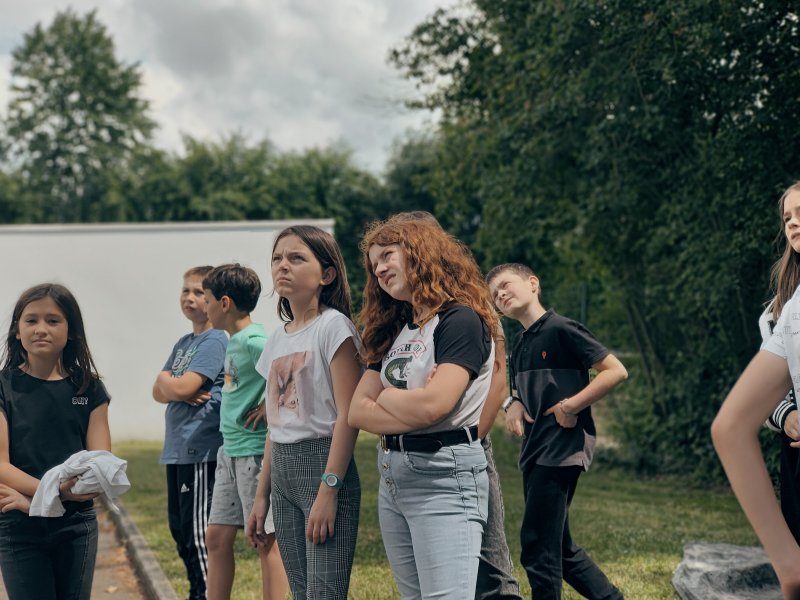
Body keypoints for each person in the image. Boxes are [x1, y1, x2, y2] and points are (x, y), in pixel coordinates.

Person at [349, 216, 497, 599]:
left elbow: (435, 405)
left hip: (443, 476)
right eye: (373, 264)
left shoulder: (460, 320)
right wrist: (409, 403)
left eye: (388, 255)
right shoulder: (394, 328)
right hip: (393, 478)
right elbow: (356, 412)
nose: (379, 269)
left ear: (420, 252)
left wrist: (385, 397)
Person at [391, 210, 522, 599]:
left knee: (491, 559)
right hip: (413, 453)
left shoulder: (469, 307)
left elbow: (497, 380)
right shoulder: (406, 310)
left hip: (465, 445)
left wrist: (474, 436)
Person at [486, 263, 627, 600]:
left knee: (538, 546)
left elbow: (615, 371)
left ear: (533, 283)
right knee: (559, 548)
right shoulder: (520, 342)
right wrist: (511, 403)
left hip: (560, 448)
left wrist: (571, 406)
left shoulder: (562, 329)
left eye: (506, 285)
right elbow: (517, 392)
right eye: (494, 294)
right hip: (534, 450)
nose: (500, 295)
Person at [246, 225, 362, 599]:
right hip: (282, 472)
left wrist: (329, 490)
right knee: (301, 592)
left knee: (324, 593)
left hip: (323, 465)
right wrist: (261, 496)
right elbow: (275, 426)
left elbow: (349, 416)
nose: (283, 266)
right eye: (277, 258)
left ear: (327, 274)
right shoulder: (277, 338)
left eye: (297, 258)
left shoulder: (334, 327)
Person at [713, 183, 800, 599]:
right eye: (787, 217)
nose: (793, 223)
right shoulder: (787, 309)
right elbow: (733, 425)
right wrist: (787, 415)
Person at [0, 283, 112, 600]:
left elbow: (100, 469)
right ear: (17, 331)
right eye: (31, 320)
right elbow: (1, 465)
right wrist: (51, 496)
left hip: (76, 526)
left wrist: (39, 500)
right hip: (18, 526)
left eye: (53, 320)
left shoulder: (90, 389)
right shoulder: (3, 387)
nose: (41, 329)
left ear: (71, 331)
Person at [202, 264, 288, 600]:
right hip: (229, 452)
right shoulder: (234, 341)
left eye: (207, 300)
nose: (205, 308)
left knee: (265, 540)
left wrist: (268, 404)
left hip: (253, 453)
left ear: (224, 303)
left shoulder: (254, 340)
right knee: (216, 537)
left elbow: (289, 371)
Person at [152, 266, 227, 600]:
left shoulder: (215, 340)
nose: (190, 298)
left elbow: (181, 387)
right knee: (180, 531)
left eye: (199, 292)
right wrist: (170, 385)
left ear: (215, 300)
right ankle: (197, 591)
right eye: (186, 290)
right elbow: (158, 391)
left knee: (197, 535)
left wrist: (171, 384)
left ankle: (206, 594)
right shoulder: (185, 343)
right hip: (177, 450)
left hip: (198, 449)